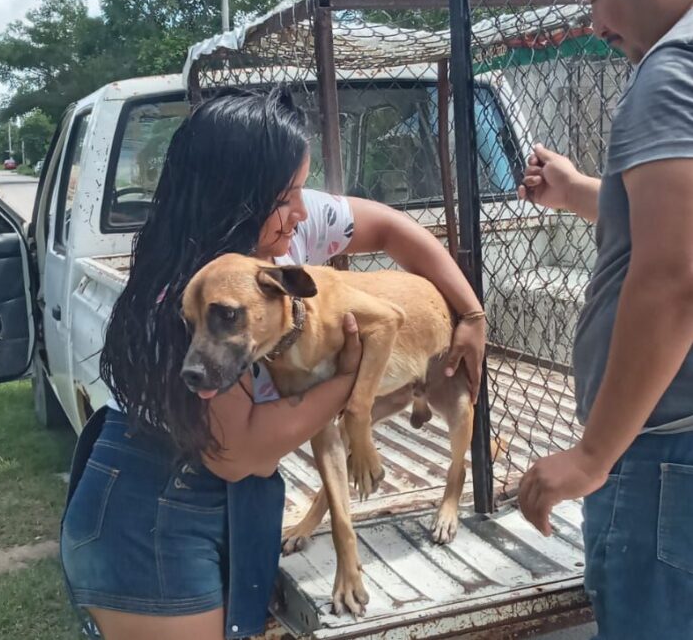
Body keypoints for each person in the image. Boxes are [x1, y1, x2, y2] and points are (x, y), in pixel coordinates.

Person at [59, 86, 486, 640]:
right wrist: (356, 386)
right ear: (236, 198)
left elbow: (391, 227)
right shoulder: (200, 299)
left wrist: (471, 314)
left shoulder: (284, 234)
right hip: (156, 512)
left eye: (301, 189)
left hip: (228, 498)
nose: (303, 211)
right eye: (286, 196)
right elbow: (239, 453)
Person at [517, 0, 693, 637]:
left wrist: (592, 454)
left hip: (661, 457)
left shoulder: (670, 74)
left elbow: (674, 278)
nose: (593, 22)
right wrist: (582, 194)